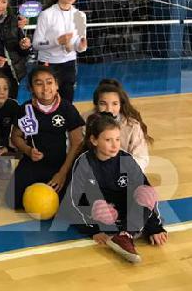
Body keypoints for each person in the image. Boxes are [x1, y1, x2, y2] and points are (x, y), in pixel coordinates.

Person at [64, 112, 166, 264]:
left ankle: (124, 235)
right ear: (94, 140)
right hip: (101, 215)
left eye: (118, 139)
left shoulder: (126, 159)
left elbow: (145, 188)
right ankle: (126, 233)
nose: (115, 144)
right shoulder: (84, 163)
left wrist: (155, 228)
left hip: (125, 211)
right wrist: (93, 231)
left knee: (147, 193)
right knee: (100, 207)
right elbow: (73, 201)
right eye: (108, 140)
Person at [7, 66, 85, 209]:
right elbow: (15, 137)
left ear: (56, 85)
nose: (45, 88)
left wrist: (62, 173)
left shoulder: (67, 109)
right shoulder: (26, 109)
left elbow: (77, 143)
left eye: (49, 82)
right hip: (33, 162)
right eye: (38, 83)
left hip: (61, 163)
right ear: (31, 88)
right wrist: (28, 150)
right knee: (12, 201)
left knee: (66, 206)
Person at [31, 0, 88, 104]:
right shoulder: (46, 15)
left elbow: (79, 46)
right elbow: (36, 44)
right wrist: (57, 41)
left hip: (69, 64)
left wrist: (81, 45)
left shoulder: (80, 16)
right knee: (45, 101)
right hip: (48, 64)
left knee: (67, 102)